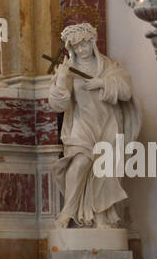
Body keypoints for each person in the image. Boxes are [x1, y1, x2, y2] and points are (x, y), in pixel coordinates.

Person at [47, 22, 140, 228]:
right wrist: (61, 80)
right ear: (71, 49)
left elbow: (126, 91)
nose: (82, 50)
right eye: (77, 46)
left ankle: (101, 215)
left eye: (86, 44)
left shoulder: (108, 67)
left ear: (93, 43)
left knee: (104, 171)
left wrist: (103, 83)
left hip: (108, 124)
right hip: (81, 124)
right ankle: (67, 213)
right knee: (79, 162)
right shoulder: (68, 70)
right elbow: (57, 104)